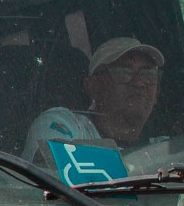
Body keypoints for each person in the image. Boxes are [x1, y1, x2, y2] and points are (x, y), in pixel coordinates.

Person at [21, 37, 165, 176]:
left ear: (158, 92)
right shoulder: (62, 124)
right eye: (123, 72)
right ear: (93, 86)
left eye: (148, 74)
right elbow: (53, 171)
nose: (139, 82)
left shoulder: (164, 146)